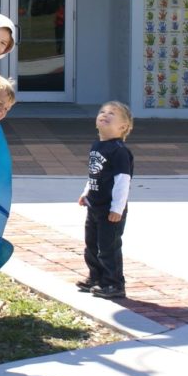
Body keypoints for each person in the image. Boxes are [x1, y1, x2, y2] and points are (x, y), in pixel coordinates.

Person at [76, 101, 134, 299]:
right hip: (94, 207)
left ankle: (114, 283)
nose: (105, 114)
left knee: (108, 247)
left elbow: (122, 181)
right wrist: (86, 192)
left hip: (110, 211)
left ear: (123, 127)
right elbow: (95, 174)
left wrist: (117, 208)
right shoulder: (98, 145)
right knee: (91, 244)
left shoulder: (119, 151)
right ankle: (96, 277)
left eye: (112, 114)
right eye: (102, 111)